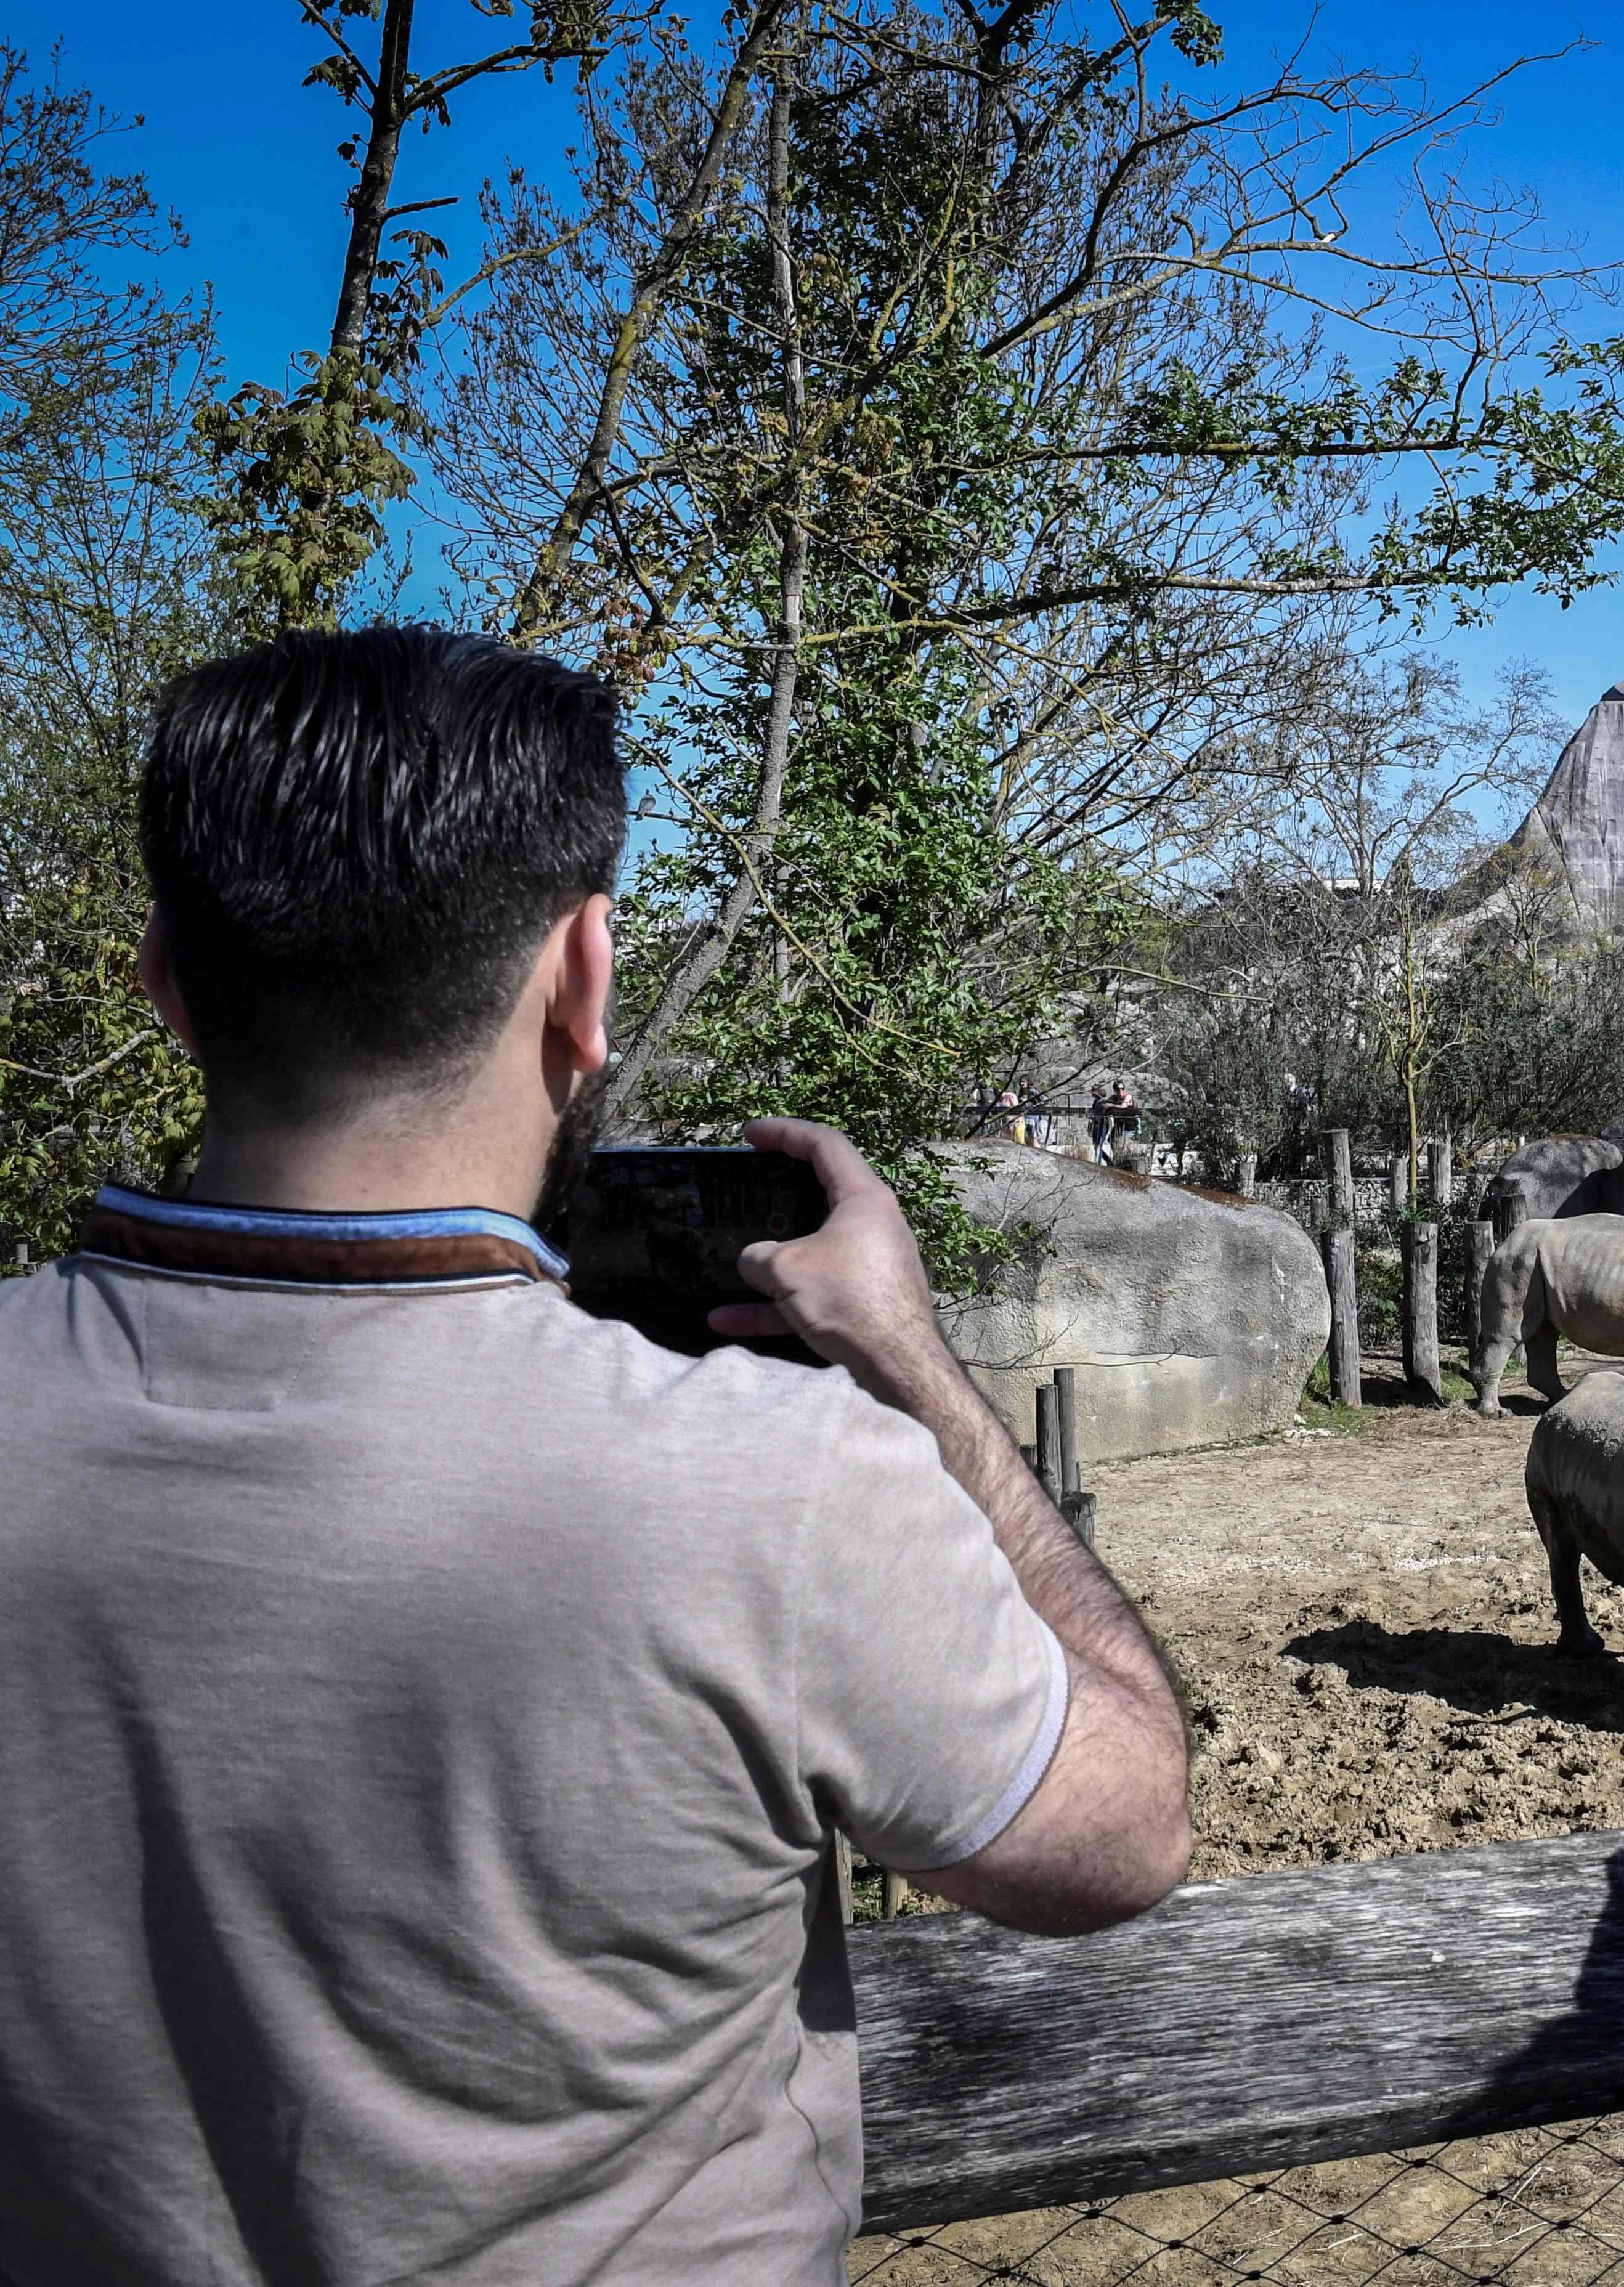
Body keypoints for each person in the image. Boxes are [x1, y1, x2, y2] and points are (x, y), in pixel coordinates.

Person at [0, 628, 1193, 2282]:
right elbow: (1122, 1836)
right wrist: (917, 1365)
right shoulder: (780, 1482)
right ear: (586, 977)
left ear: (163, 986)